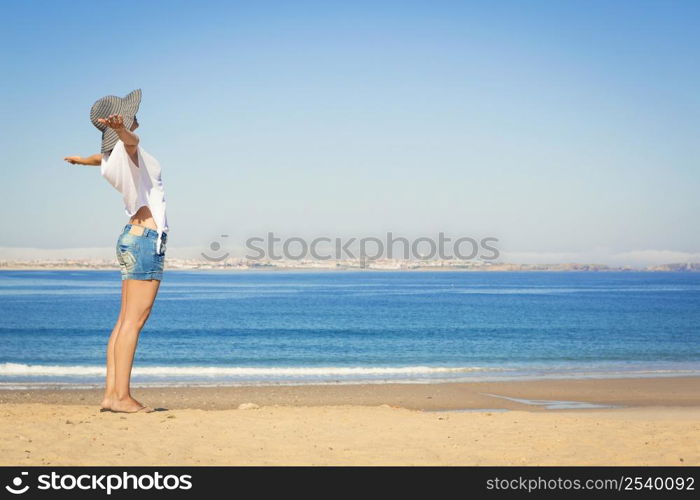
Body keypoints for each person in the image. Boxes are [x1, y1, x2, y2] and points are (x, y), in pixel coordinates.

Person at [64, 89, 168, 413]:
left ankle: (111, 395)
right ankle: (121, 397)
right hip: (146, 239)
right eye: (130, 115)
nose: (136, 118)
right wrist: (122, 131)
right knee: (134, 321)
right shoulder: (129, 149)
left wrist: (82, 160)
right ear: (119, 125)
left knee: (124, 321)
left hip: (129, 237)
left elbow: (102, 157)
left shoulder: (110, 161)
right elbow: (131, 143)